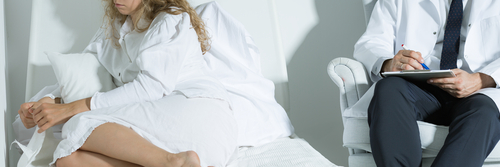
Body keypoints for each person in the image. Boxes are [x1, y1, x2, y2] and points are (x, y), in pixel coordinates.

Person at [17, 0, 238, 166]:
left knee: (77, 124)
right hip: (154, 117)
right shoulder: (115, 27)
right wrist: (46, 104)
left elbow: (151, 87)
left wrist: (70, 109)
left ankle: (173, 161)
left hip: (195, 114)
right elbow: (88, 72)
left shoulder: (169, 19)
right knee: (67, 160)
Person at [354, 0, 500, 166]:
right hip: (420, 85)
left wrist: (483, 79)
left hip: (480, 89)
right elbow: (371, 41)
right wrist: (388, 62)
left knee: (483, 112)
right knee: (389, 89)